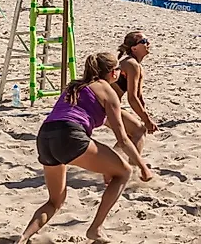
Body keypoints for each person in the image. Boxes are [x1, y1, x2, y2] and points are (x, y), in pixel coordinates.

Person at [15, 52, 153, 244]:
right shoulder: (108, 91)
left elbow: (78, 117)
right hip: (69, 136)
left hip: (45, 136)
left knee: (55, 201)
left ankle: (23, 237)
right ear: (113, 73)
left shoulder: (74, 86)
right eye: (118, 71)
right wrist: (143, 166)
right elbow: (122, 139)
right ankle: (95, 229)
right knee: (124, 172)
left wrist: (106, 166)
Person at [112, 31, 158, 161]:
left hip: (107, 104)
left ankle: (111, 164)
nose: (148, 43)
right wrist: (147, 121)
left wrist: (145, 117)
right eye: (144, 41)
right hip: (102, 105)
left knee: (130, 134)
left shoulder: (135, 65)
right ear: (134, 48)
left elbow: (138, 96)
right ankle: (133, 171)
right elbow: (132, 99)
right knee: (139, 131)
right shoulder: (131, 64)